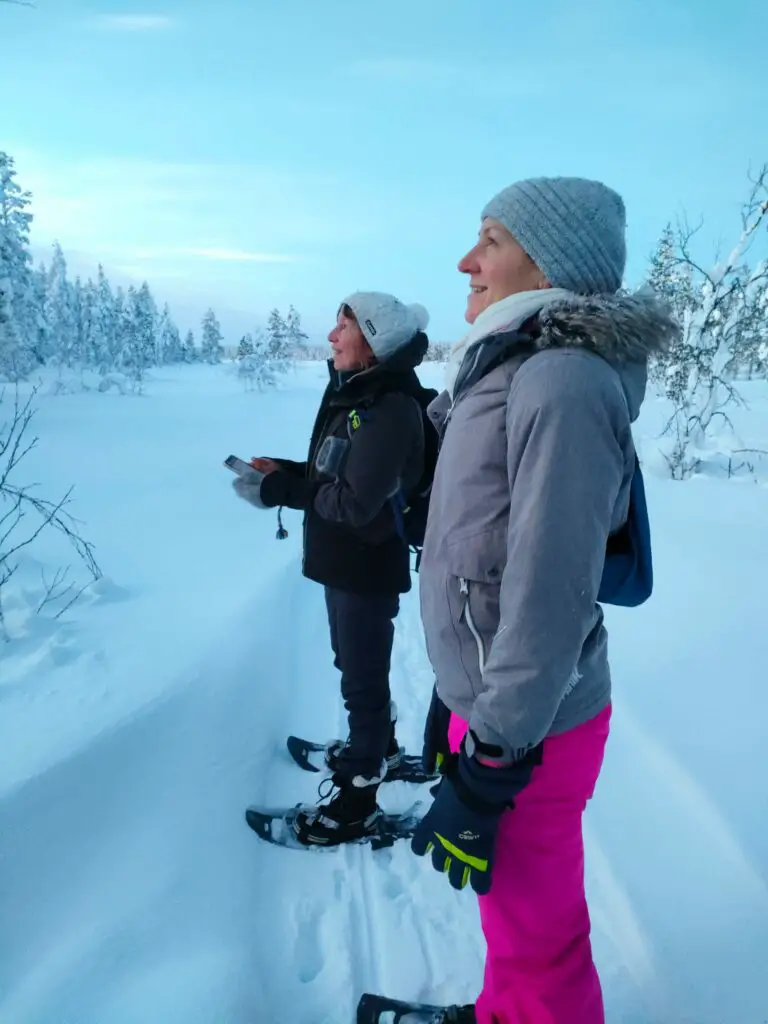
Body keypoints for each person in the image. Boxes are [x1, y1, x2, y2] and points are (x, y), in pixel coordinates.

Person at [405, 177, 679, 1023]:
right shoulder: (509, 368)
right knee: (514, 913)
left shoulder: (559, 382)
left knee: (539, 928)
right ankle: (501, 1011)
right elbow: (473, 558)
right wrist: (454, 705)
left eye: (489, 238)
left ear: (550, 258)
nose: (466, 261)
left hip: (531, 727)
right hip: (499, 709)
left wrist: (493, 757)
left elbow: (549, 594)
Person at [232, 291, 433, 846]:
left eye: (342, 324)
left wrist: (283, 490)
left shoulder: (386, 407)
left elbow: (354, 503)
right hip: (345, 562)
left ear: (370, 339)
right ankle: (380, 752)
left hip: (365, 565)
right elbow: (335, 474)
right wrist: (288, 470)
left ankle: (354, 806)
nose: (331, 335)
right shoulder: (357, 392)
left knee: (361, 683)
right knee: (354, 666)